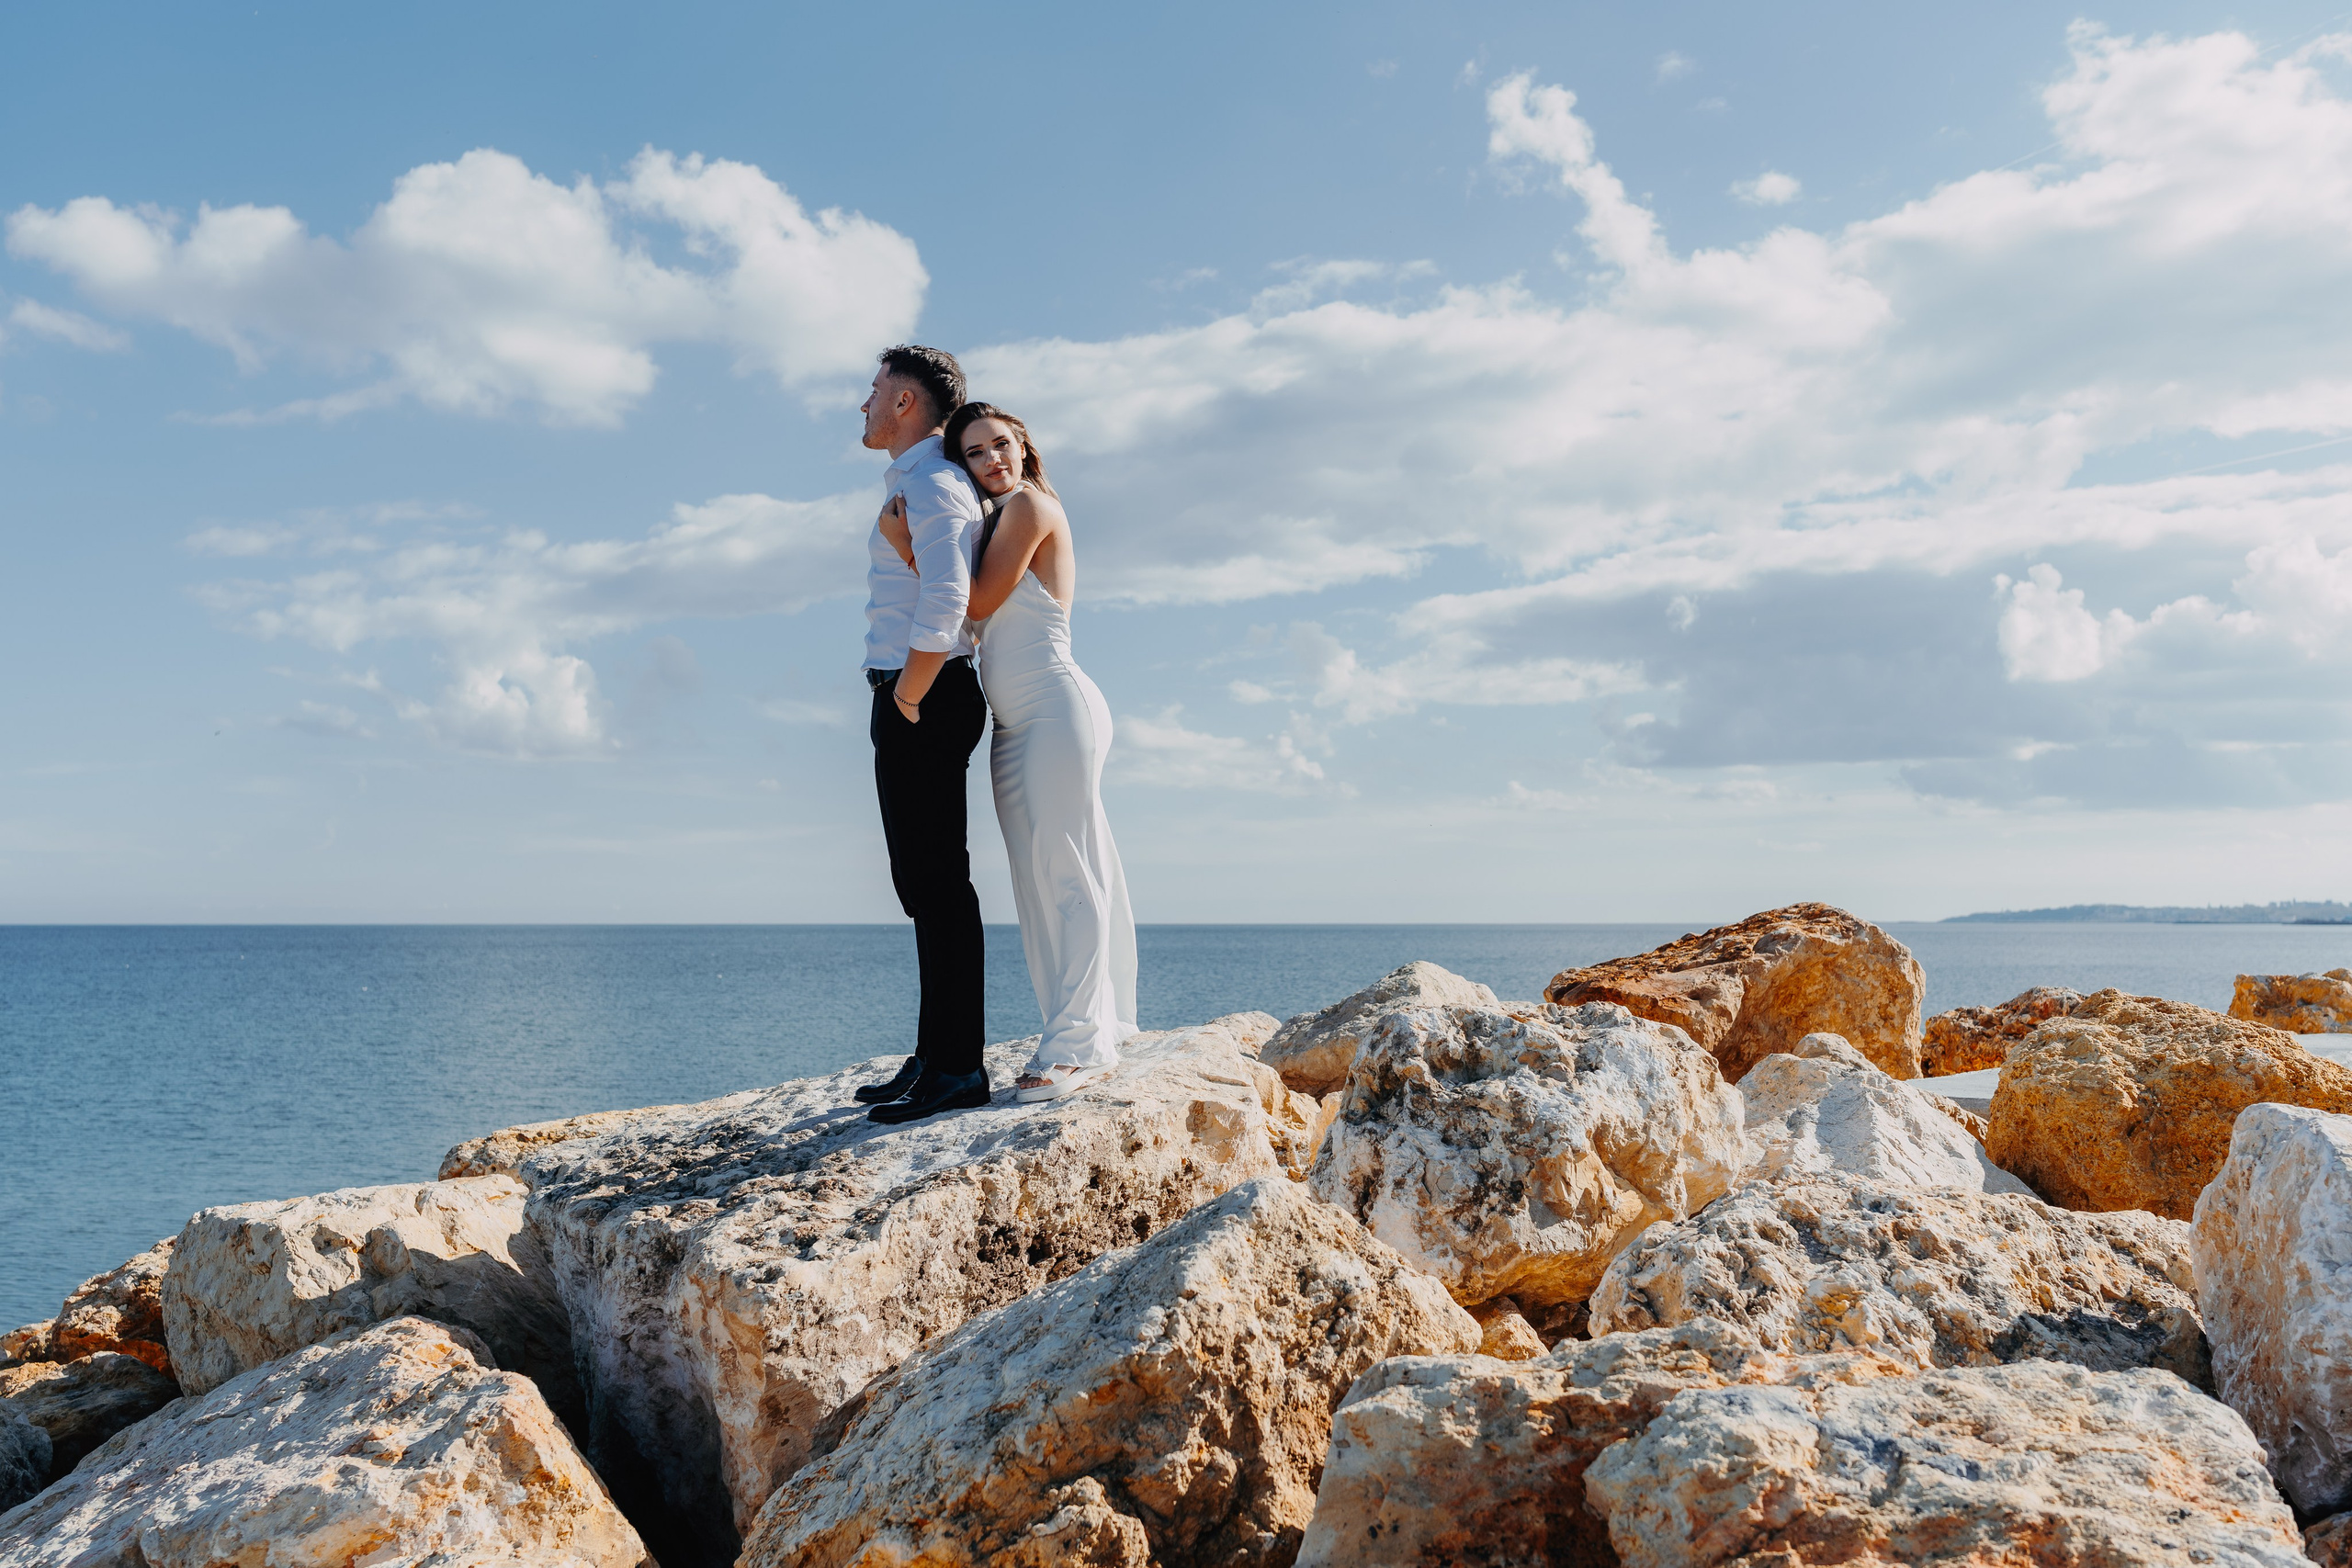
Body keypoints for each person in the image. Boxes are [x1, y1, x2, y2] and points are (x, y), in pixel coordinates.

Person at [880, 402, 1136, 1103]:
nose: (992, 459)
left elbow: (977, 600)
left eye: (1001, 444)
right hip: (1013, 722)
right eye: (975, 452)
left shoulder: (1027, 506)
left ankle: (1082, 1045)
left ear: (1024, 446)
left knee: (1070, 870)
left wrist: (908, 547)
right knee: (1035, 879)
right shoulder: (993, 519)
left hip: (1057, 709)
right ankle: (1072, 1026)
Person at [852, 345, 995, 1125]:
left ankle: (957, 1067)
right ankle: (933, 1052)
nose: (864, 403)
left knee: (939, 884)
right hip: (918, 692)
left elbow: (948, 593)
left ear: (906, 403)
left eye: (874, 390)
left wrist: (907, 694)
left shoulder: (935, 481)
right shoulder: (923, 480)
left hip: (925, 693)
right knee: (924, 884)